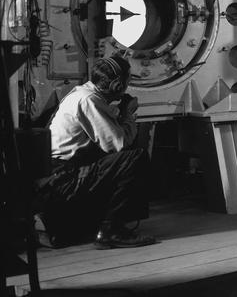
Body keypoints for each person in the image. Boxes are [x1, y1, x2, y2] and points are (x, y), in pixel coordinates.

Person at [34, 54, 157, 249]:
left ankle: (107, 224)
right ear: (117, 84)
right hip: (63, 179)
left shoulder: (82, 94)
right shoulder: (89, 100)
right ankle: (112, 231)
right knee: (133, 158)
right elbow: (118, 144)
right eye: (126, 81)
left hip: (59, 173)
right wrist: (128, 115)